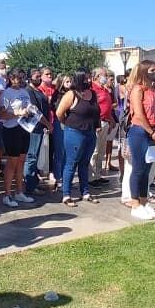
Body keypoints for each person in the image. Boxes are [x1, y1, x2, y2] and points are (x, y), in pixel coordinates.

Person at [56, 68, 101, 206]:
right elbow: (59, 113)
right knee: (71, 163)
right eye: (86, 78)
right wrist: (67, 124)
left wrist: (96, 125)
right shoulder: (72, 94)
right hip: (75, 132)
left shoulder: (92, 94)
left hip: (90, 133)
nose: (88, 80)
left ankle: (85, 192)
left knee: (84, 163)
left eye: (89, 77)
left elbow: (96, 112)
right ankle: (66, 194)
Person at [126, 60, 155, 220]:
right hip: (140, 132)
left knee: (147, 169)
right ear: (144, 72)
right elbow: (139, 114)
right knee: (138, 168)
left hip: (153, 131)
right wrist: (151, 131)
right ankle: (135, 204)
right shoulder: (137, 89)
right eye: (152, 70)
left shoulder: (154, 90)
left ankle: (143, 201)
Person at [0, 68, 37, 206]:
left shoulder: (24, 92)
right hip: (11, 129)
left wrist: (30, 112)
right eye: (16, 77)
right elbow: (1, 115)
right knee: (12, 162)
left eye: (22, 77)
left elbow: (28, 108)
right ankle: (7, 194)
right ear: (10, 78)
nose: (19, 80)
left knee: (21, 161)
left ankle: (19, 192)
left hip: (24, 128)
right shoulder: (6, 93)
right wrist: (17, 113)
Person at [23, 70, 53, 197]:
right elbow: (36, 112)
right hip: (33, 128)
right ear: (30, 78)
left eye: (40, 76)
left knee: (35, 157)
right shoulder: (29, 92)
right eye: (36, 76)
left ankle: (34, 182)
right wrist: (47, 124)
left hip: (40, 128)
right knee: (31, 157)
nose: (39, 78)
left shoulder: (38, 90)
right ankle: (29, 186)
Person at [89, 67, 115, 187]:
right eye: (103, 75)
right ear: (96, 76)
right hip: (97, 123)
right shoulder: (92, 89)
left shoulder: (104, 89)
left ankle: (98, 175)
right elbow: (92, 107)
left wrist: (110, 119)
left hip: (105, 121)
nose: (106, 77)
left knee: (101, 151)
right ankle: (91, 177)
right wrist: (96, 122)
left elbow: (107, 105)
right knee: (94, 151)